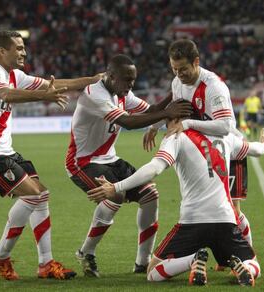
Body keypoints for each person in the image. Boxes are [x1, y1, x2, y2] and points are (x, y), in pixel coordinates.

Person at [0, 30, 103, 281]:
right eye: (18, 48)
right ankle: (1, 254)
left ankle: (45, 264)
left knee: (41, 195)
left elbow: (55, 84)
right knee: (34, 195)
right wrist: (44, 95)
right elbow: (6, 94)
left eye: (23, 47)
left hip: (4, 151)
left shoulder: (14, 75)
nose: (24, 52)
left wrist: (92, 80)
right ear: (1, 52)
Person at [88, 119, 264, 287]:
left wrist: (117, 187)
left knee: (153, 272)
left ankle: (193, 260)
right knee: (254, 265)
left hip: (192, 223)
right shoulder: (225, 137)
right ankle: (245, 269)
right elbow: (257, 150)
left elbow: (154, 168)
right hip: (225, 220)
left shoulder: (176, 137)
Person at [65, 54, 193, 277]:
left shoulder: (122, 93)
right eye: (127, 80)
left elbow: (151, 111)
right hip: (83, 163)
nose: (131, 85)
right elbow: (127, 122)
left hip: (110, 159)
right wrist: (167, 112)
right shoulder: (94, 94)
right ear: (111, 76)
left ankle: (142, 263)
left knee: (150, 195)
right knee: (113, 195)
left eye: (133, 80)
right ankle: (86, 252)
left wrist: (175, 93)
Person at [143, 39, 255, 261]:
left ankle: (247, 257)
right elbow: (174, 107)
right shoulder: (178, 82)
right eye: (174, 69)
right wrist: (154, 126)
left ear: (196, 61)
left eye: (183, 69)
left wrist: (188, 124)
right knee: (213, 207)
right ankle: (225, 259)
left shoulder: (214, 87)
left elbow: (225, 127)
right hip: (203, 152)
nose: (179, 74)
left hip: (227, 151)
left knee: (232, 210)